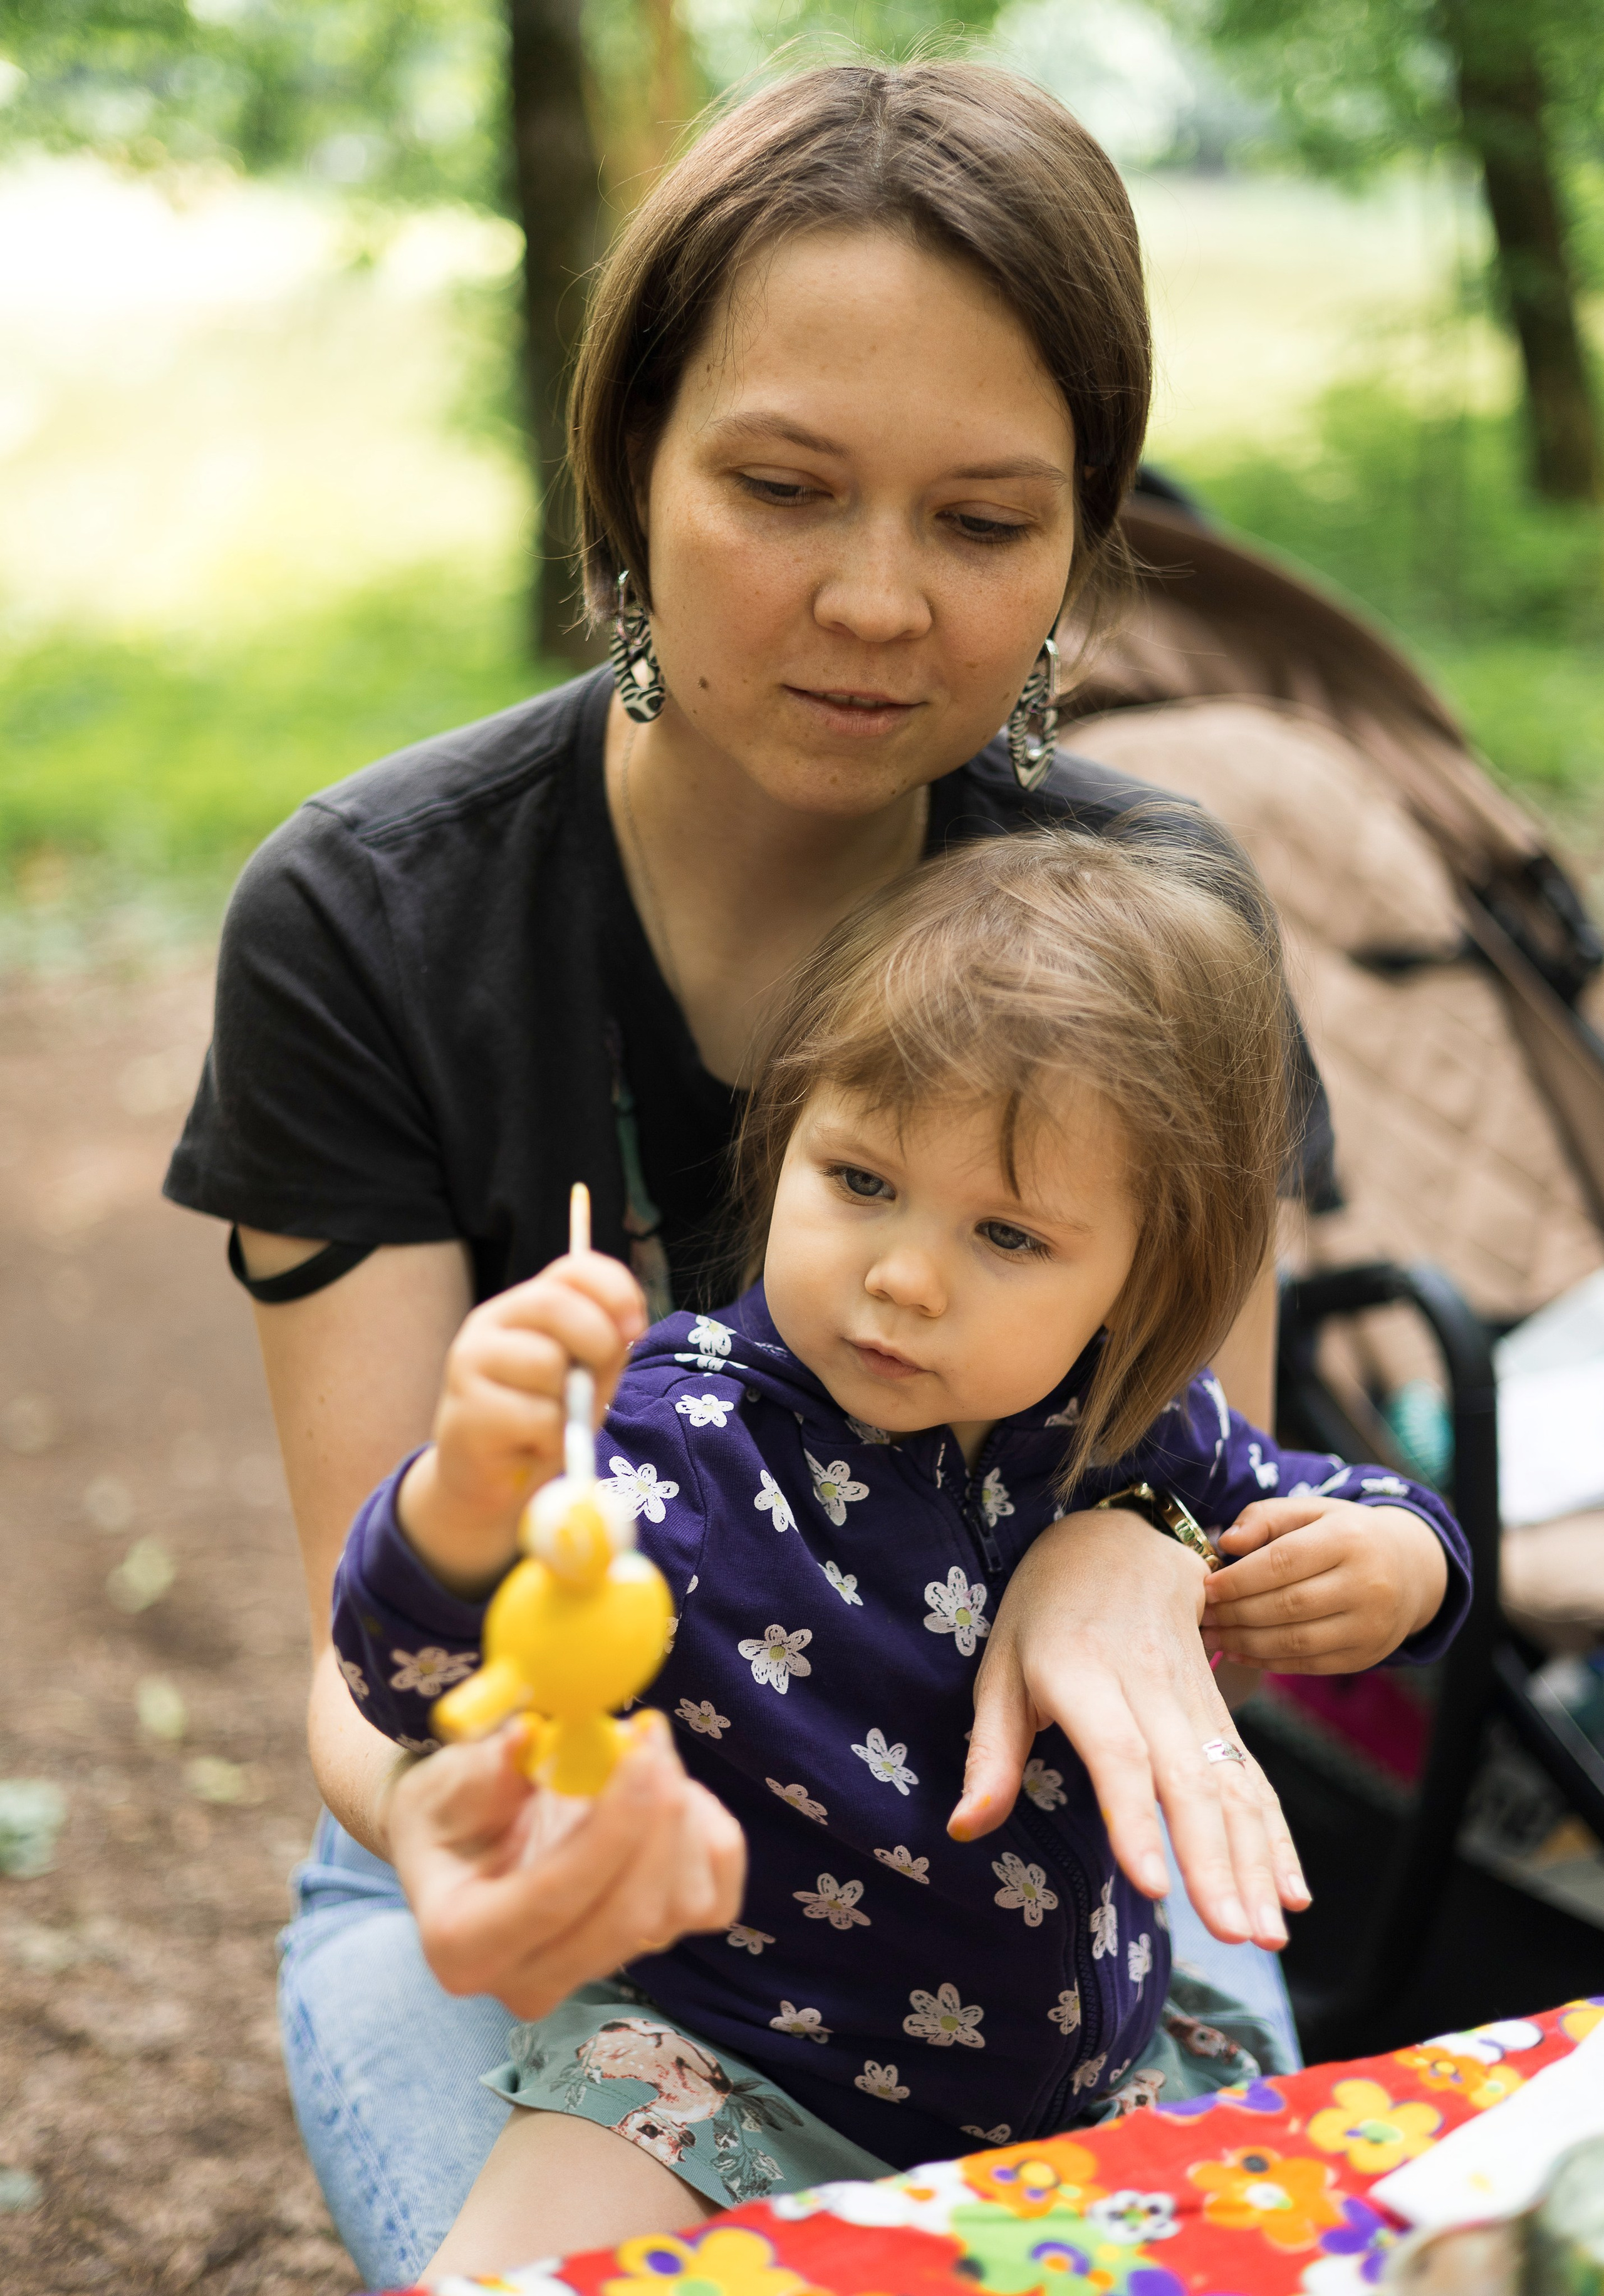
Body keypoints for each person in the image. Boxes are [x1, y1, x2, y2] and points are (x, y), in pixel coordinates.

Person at [164, 58, 1342, 2286]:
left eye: (982, 524)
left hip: (1040, 1884)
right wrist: (452, 1818)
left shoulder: (1163, 922)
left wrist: (1147, 1549)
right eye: (784, 489)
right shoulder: (370, 920)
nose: (877, 602)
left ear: (1086, 541)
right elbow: (373, 1637)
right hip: (557, 1836)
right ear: (628, 464)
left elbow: (1209, 1475)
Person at [333, 825, 1468, 2278]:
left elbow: (1347, 1499)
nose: (903, 1275)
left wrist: (1396, 1560)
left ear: (1139, 1274)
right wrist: (456, 1504)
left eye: (1007, 1235)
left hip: (1096, 2087)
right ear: (786, 1140)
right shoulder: (679, 1440)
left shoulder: (1133, 1425)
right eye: (859, 1181)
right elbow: (414, 1682)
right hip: (721, 2085)